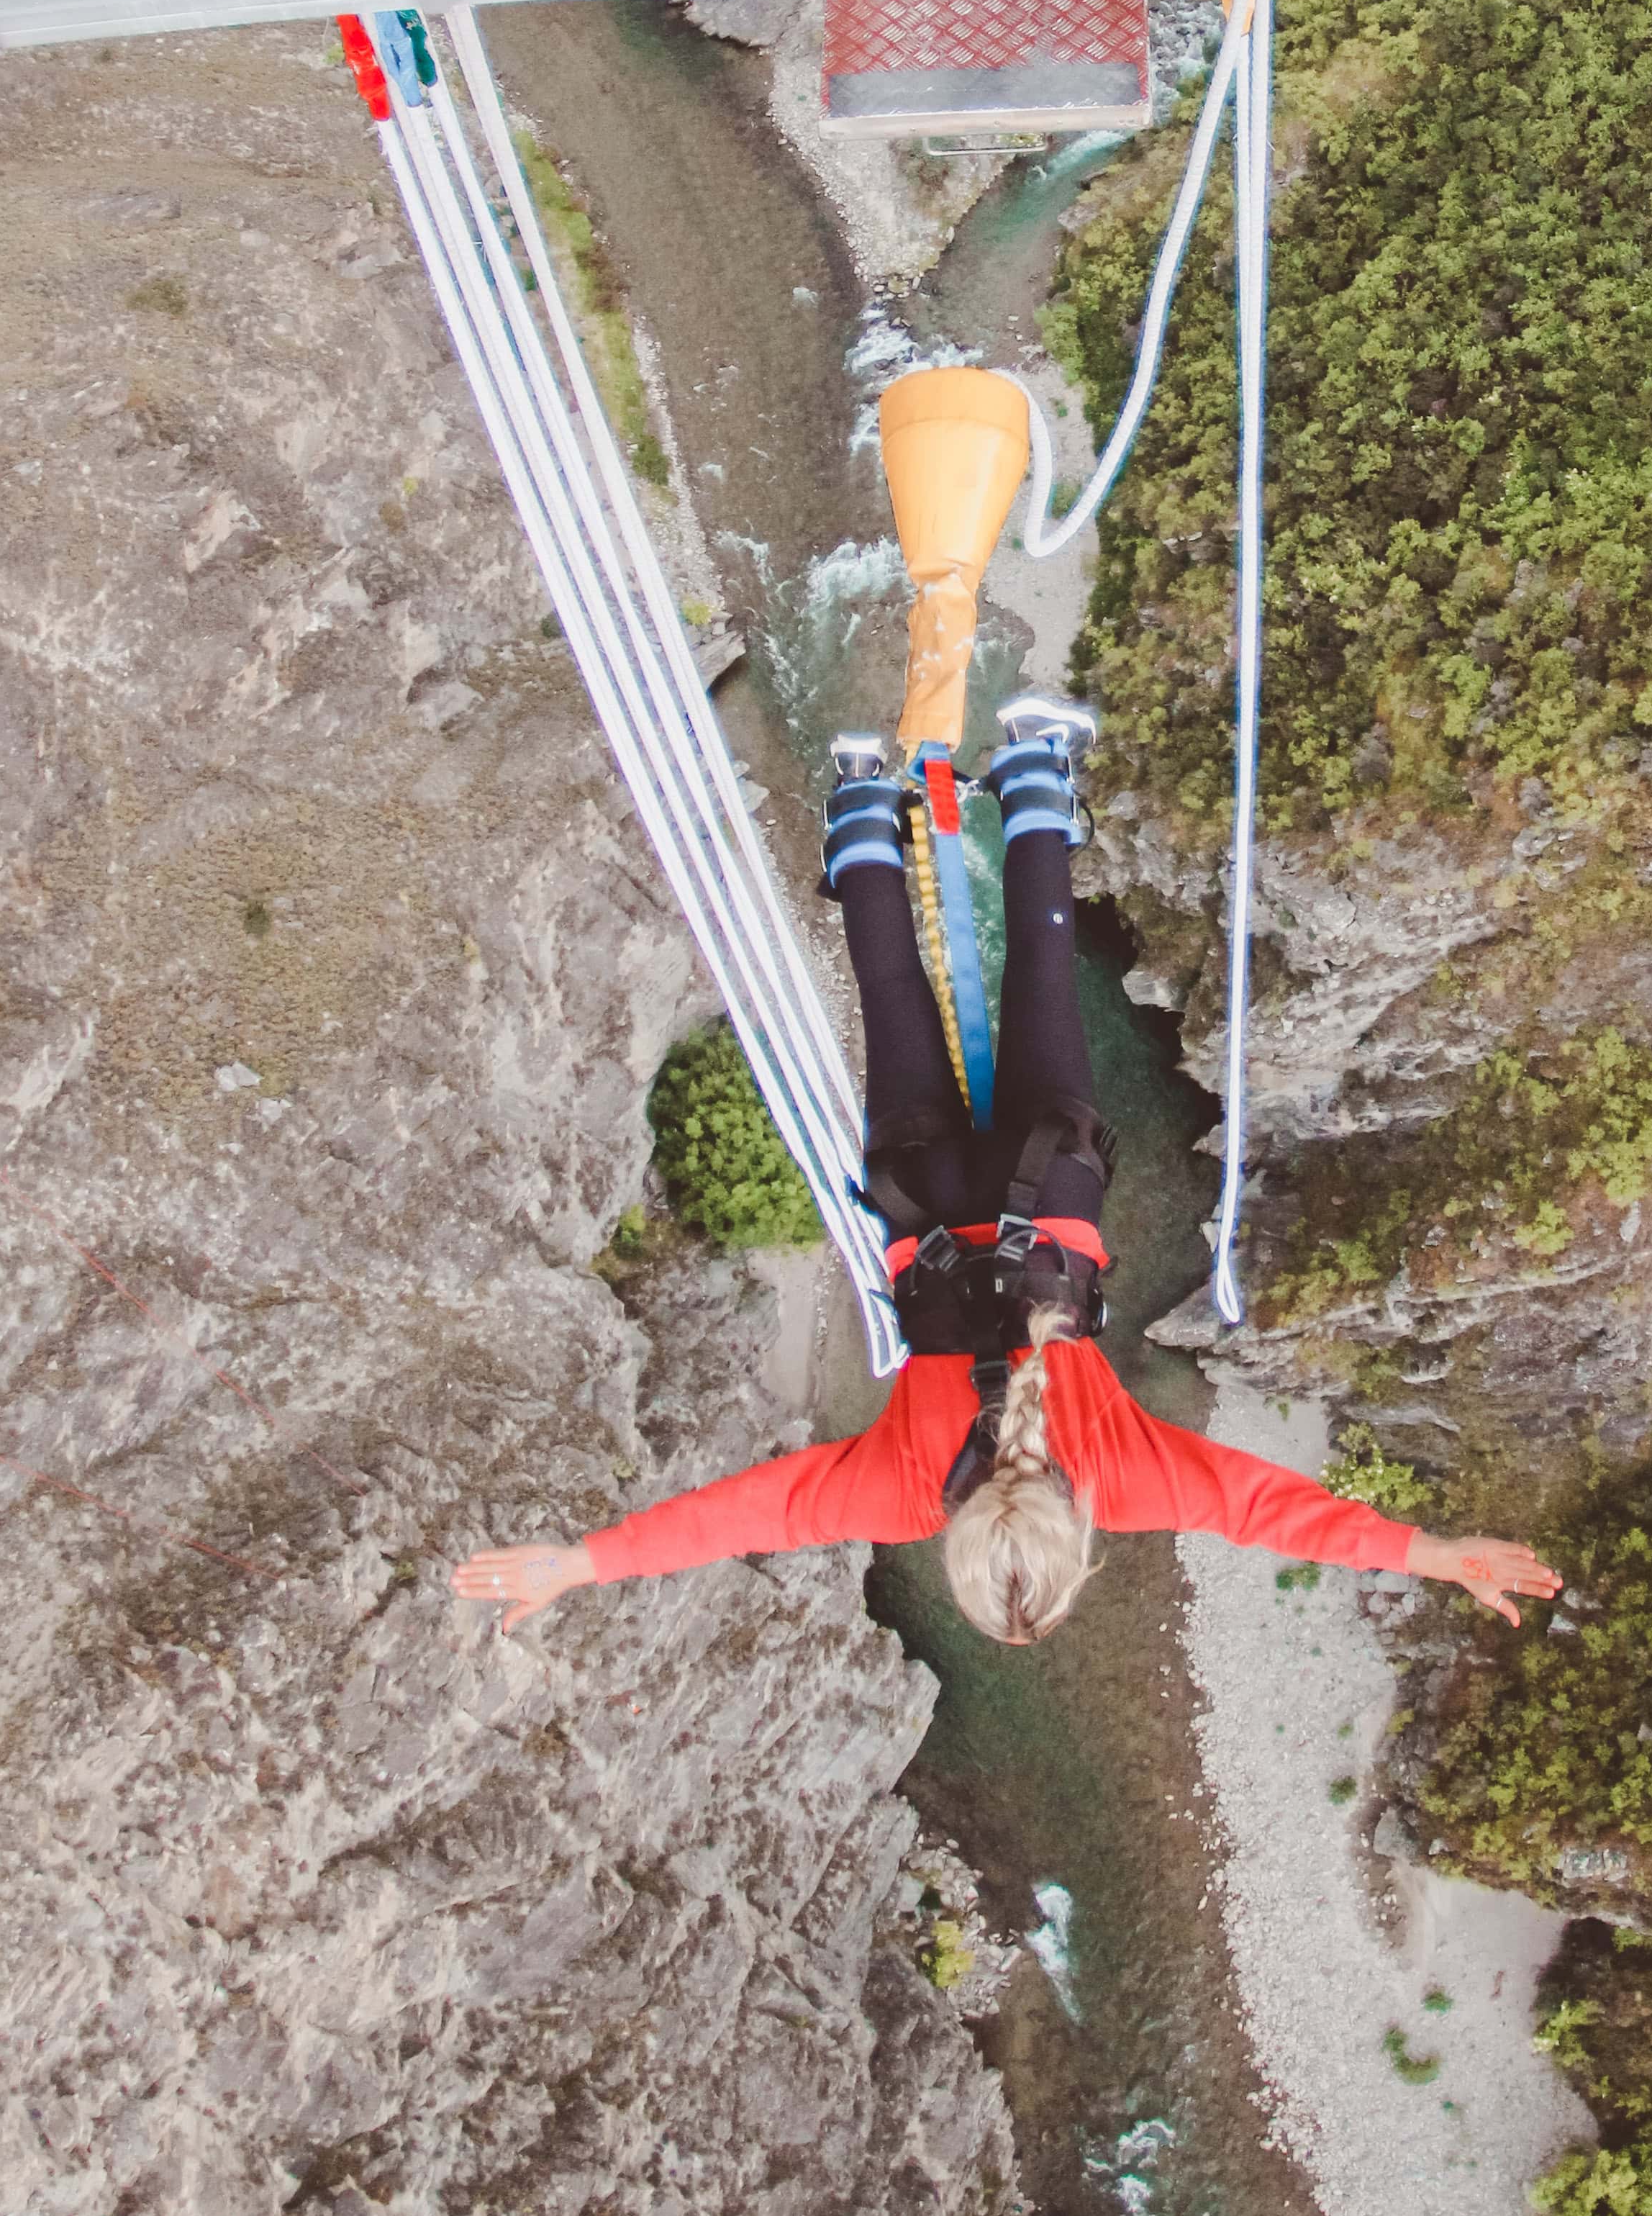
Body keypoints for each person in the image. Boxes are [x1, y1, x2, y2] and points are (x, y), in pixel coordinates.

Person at [454, 697, 1562, 1649]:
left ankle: (1033, 765)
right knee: (893, 1012)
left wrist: (1427, 1551)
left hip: (1046, 1193)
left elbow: (1265, 1511)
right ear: (956, 1544)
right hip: (921, 1201)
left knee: (1038, 980)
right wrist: (583, 1563)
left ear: (1075, 1543)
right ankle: (856, 803)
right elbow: (752, 1513)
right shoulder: (895, 1494)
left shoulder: (1125, 1480)